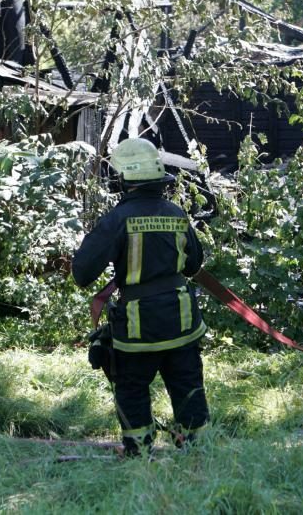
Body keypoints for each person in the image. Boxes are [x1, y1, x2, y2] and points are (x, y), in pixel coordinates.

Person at [72, 138, 209, 456]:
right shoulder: (176, 214)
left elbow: (82, 273)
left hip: (138, 328)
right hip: (181, 323)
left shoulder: (116, 220)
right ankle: (198, 454)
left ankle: (139, 453)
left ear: (121, 179)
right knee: (188, 388)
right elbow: (193, 265)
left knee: (132, 389)